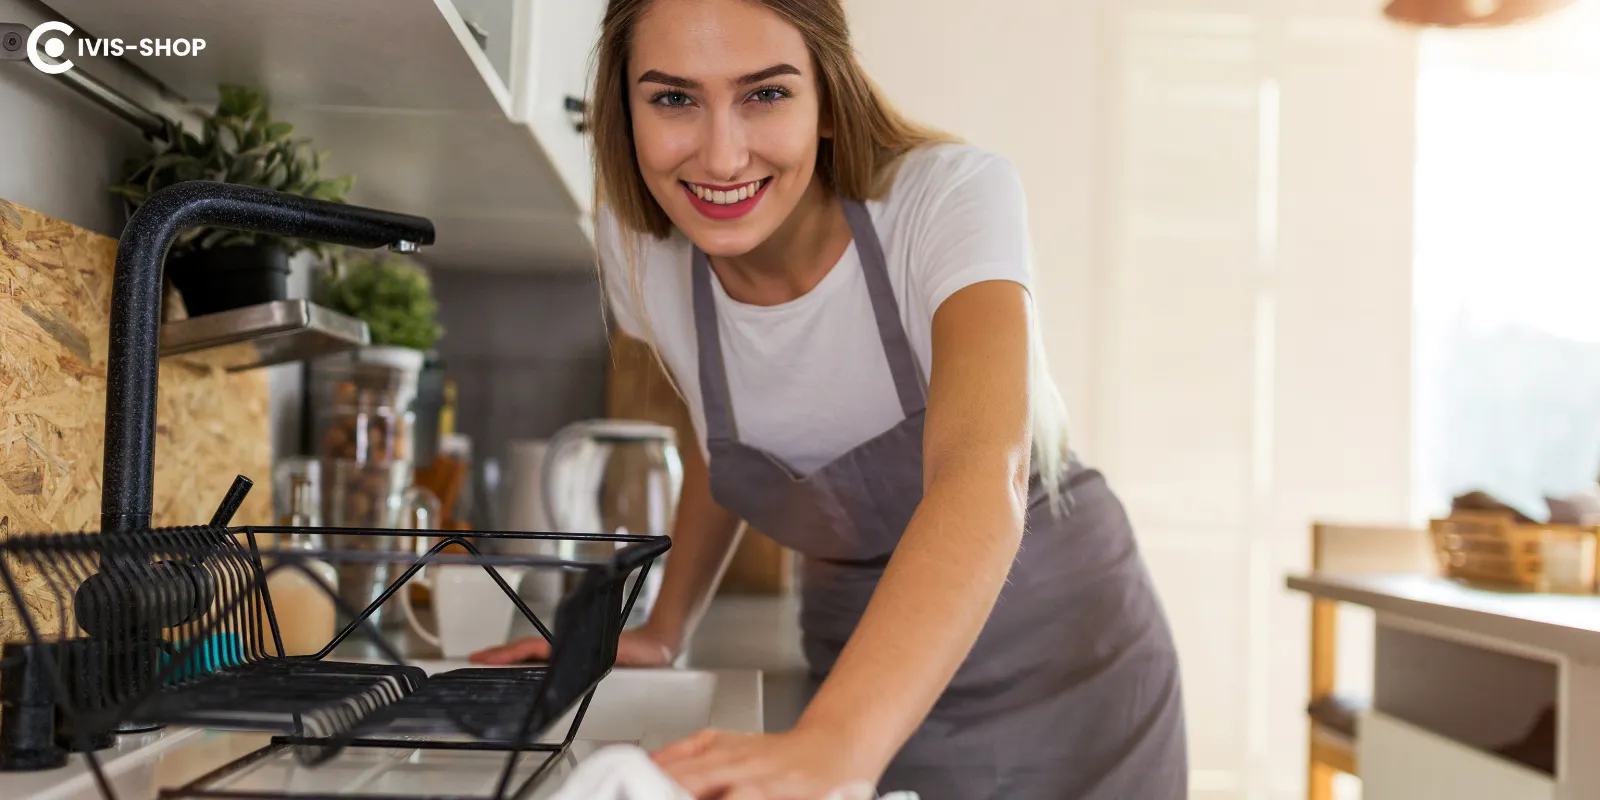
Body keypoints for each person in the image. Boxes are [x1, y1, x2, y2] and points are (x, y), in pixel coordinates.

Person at [470, 0, 1188, 797]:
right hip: (857, 659)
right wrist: (665, 627)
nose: (720, 154)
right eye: (673, 97)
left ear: (827, 95)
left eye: (765, 94)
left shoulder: (948, 200)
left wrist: (836, 744)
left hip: (1064, 655)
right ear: (623, 108)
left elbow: (982, 475)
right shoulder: (639, 246)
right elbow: (727, 443)